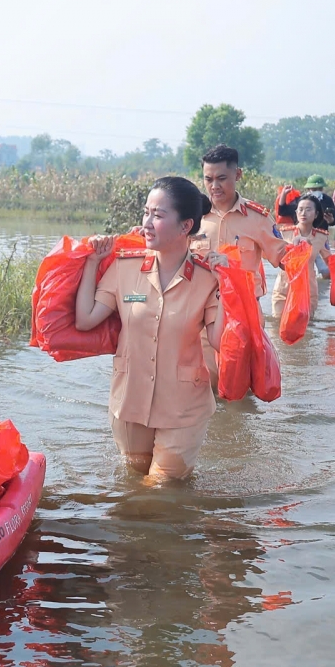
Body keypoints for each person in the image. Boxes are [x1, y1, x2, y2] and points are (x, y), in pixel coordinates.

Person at [75, 177, 224, 483]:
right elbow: (85, 319)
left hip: (184, 408)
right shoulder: (124, 267)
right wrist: (93, 263)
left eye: (158, 215)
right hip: (130, 401)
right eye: (146, 213)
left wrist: (229, 285)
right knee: (134, 482)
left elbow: (221, 340)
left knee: (162, 489)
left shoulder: (209, 279)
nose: (147, 223)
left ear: (186, 226)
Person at [197, 144, 285, 299]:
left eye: (221, 178)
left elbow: (284, 260)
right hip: (201, 310)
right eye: (208, 179)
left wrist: (301, 249)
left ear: (237, 174)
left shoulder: (257, 218)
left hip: (245, 307)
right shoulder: (192, 215)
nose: (215, 186)